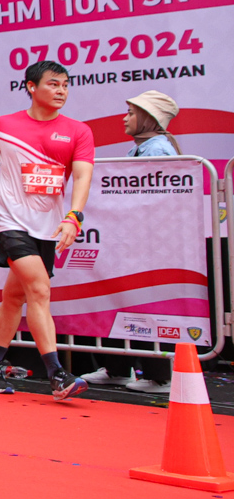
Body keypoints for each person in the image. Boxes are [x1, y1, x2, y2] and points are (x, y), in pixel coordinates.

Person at [0, 60, 94, 399]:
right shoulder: (5, 125)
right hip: (9, 221)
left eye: (65, 85)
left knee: (14, 297)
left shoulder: (78, 131)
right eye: (53, 84)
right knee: (39, 290)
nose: (61, 91)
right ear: (31, 87)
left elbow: (83, 175)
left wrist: (74, 216)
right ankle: (57, 374)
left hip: (48, 226)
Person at [82, 90, 182, 393]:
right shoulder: (140, 149)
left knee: (144, 307)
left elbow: (157, 202)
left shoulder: (158, 151)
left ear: (149, 117)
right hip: (132, 243)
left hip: (149, 245)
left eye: (131, 113)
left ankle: (159, 376)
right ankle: (116, 368)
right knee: (119, 303)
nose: (124, 118)